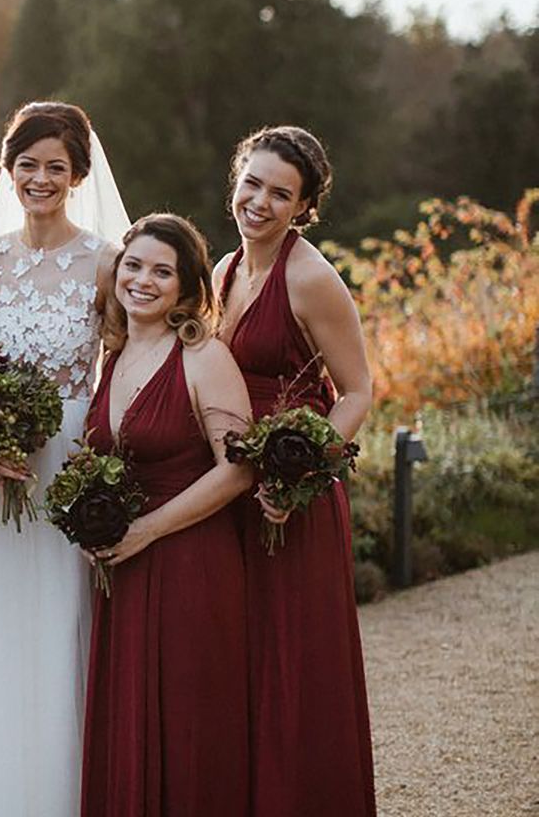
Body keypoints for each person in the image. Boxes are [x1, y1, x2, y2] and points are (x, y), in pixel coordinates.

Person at [0, 102, 129, 817]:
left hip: (70, 461)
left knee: (64, 621)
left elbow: (122, 371)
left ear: (78, 176)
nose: (41, 179)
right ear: (8, 170)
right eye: (28, 165)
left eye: (56, 167)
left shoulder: (106, 262)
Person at [214, 125, 376, 816]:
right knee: (238, 658)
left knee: (291, 662)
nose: (259, 202)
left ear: (303, 207)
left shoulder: (310, 279)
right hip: (229, 491)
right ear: (235, 182)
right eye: (251, 184)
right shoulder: (223, 271)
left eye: (280, 194)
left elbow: (359, 392)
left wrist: (298, 477)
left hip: (290, 497)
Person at [81, 214, 254, 817]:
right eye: (133, 266)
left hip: (191, 563)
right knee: (131, 717)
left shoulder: (203, 356)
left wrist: (147, 530)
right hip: (124, 568)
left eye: (162, 272)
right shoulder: (113, 356)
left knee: (188, 722)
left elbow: (237, 470)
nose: (143, 281)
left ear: (186, 288)